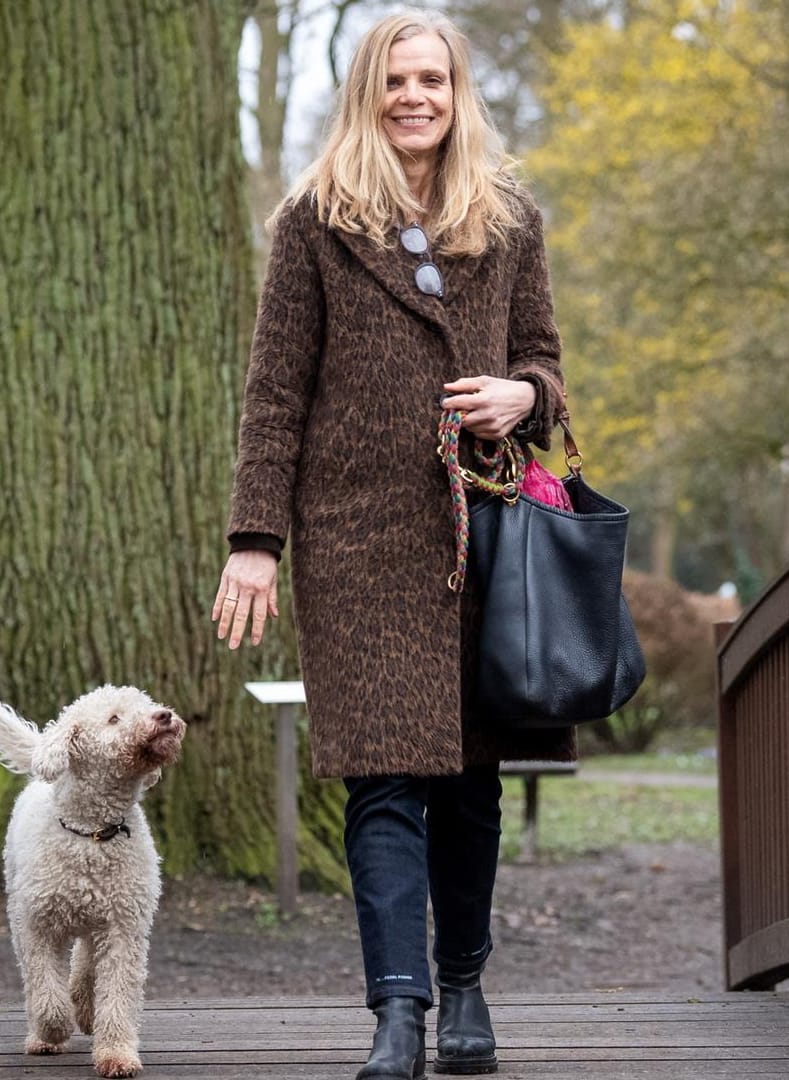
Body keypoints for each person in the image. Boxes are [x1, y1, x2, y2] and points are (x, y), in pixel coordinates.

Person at [213, 10, 572, 1079]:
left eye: (434, 80)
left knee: (467, 780)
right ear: (367, 91)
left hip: (487, 539)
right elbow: (275, 394)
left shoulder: (509, 220)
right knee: (381, 779)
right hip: (358, 542)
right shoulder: (314, 222)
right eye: (395, 79)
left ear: (458, 94)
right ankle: (396, 1012)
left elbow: (549, 366)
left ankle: (464, 988)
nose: (414, 96)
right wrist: (255, 540)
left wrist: (523, 394)